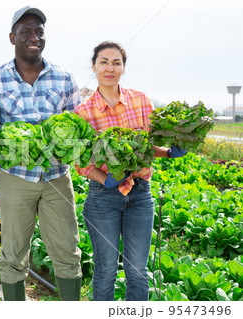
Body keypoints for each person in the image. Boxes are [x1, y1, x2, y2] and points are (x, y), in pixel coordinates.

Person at [0, 6, 83, 301]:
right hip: (15, 179)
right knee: (13, 255)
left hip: (57, 178)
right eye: (26, 31)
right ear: (13, 37)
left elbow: (77, 130)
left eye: (39, 31)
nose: (33, 37)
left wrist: (63, 148)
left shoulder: (65, 79)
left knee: (68, 251)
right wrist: (16, 151)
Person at [74, 41, 187, 301]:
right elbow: (82, 162)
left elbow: (149, 145)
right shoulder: (84, 112)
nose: (109, 68)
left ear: (123, 67)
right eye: (103, 62)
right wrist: (106, 179)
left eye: (116, 62)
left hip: (141, 195)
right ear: (93, 66)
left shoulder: (140, 101)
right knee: (105, 270)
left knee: (138, 271)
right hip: (103, 198)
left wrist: (168, 151)